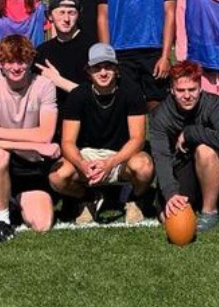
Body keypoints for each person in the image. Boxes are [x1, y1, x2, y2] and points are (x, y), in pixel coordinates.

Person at [0, 34, 64, 247]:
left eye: (21, 61)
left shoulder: (44, 85)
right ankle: (2, 223)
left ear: (31, 61)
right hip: (0, 156)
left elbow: (45, 135)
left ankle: (10, 196)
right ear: (1, 63)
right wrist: (35, 144)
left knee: (42, 223)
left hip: (31, 163)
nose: (15, 67)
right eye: (9, 61)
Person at [56, 43, 155, 223]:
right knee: (57, 176)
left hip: (122, 155)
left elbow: (138, 139)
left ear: (116, 70)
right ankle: (88, 198)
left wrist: (110, 163)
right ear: (88, 71)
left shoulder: (131, 91)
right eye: (97, 68)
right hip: (87, 155)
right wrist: (82, 164)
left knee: (144, 167)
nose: (103, 73)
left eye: (108, 67)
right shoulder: (78, 95)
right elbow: (68, 142)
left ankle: (134, 199)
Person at [148, 62, 219, 234]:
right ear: (172, 90)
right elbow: (161, 156)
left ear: (200, 88)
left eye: (192, 89)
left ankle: (210, 210)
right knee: (169, 219)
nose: (187, 95)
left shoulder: (214, 104)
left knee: (205, 150)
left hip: (210, 165)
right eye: (181, 91)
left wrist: (190, 133)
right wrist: (171, 193)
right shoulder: (160, 115)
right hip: (179, 167)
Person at [35, 0, 92, 94]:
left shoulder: (92, 49)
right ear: (49, 16)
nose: (66, 19)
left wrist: (58, 81)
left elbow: (96, 95)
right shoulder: (42, 51)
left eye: (71, 13)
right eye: (61, 12)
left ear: (79, 15)